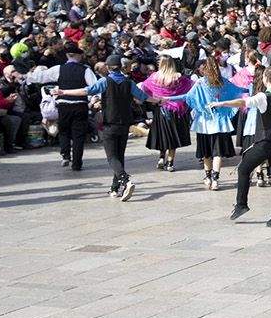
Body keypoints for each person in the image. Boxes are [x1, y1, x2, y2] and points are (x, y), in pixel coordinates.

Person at [213, 66, 271, 228]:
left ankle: (241, 204)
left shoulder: (263, 96)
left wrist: (221, 103)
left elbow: (243, 102)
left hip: (265, 143)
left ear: (264, 79)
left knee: (243, 169)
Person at [54, 52, 148, 201]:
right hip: (124, 124)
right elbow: (144, 97)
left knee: (111, 157)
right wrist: (161, 100)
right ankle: (115, 188)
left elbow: (86, 91)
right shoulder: (129, 82)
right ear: (121, 68)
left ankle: (125, 180)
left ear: (109, 68)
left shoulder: (105, 81)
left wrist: (63, 91)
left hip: (110, 123)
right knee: (119, 155)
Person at [178, 58, 247, 192]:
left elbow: (189, 97)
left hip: (204, 123)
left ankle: (208, 177)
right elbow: (239, 91)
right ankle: (215, 179)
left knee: (206, 153)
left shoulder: (200, 83)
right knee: (217, 153)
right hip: (220, 122)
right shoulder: (224, 82)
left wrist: (167, 99)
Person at [26, 44, 97, 170]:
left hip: (64, 105)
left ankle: (65, 154)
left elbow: (41, 77)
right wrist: (94, 99)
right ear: (78, 56)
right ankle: (77, 163)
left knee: (63, 130)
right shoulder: (85, 70)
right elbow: (94, 87)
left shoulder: (59, 69)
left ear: (67, 56)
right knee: (78, 135)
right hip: (80, 105)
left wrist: (27, 76)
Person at [140, 56, 192, 172]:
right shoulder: (178, 77)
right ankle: (170, 163)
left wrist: (155, 98)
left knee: (163, 135)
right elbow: (191, 87)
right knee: (173, 137)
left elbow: (144, 88)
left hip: (160, 109)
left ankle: (161, 158)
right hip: (176, 110)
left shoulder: (154, 77)